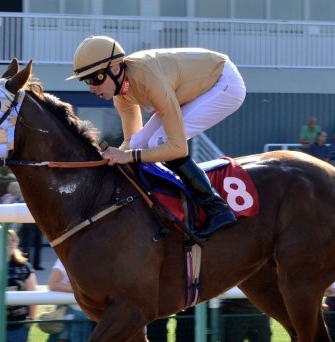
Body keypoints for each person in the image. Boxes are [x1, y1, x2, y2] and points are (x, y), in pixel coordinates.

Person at [67, 35, 245, 238]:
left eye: (96, 78)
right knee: (140, 143)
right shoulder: (122, 96)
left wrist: (127, 156)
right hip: (192, 84)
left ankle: (217, 208)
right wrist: (110, 161)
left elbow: (178, 148)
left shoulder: (149, 79)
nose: (92, 87)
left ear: (115, 68)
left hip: (224, 83)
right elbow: (132, 144)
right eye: (86, 81)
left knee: (158, 142)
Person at [46, 258, 95, 342]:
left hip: (84, 317)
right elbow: (52, 284)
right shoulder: (64, 260)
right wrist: (78, 290)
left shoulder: (93, 261)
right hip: (66, 315)